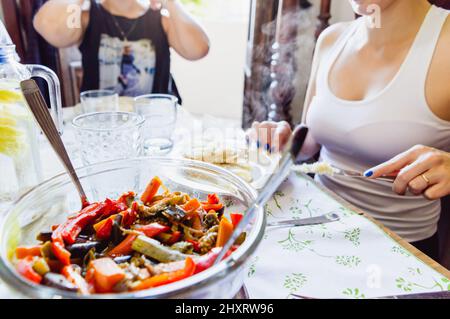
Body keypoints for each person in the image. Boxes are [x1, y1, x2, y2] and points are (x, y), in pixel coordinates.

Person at [248, 0, 450, 260]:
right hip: (312, 227)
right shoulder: (332, 39)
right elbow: (311, 139)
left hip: (400, 250)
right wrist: (285, 141)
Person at [34, 0, 210, 99]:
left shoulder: (162, 21)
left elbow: (198, 49)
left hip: (155, 124)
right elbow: (49, 27)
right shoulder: (87, 18)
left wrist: (170, 3)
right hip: (101, 123)